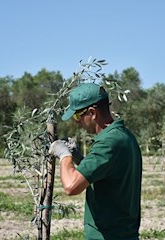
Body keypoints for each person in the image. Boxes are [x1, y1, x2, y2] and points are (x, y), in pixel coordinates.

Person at [49, 82, 142, 240]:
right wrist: (79, 158)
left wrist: (64, 156)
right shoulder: (124, 136)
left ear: (92, 113)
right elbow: (105, 173)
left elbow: (71, 186)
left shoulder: (108, 143)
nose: (76, 121)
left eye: (78, 115)